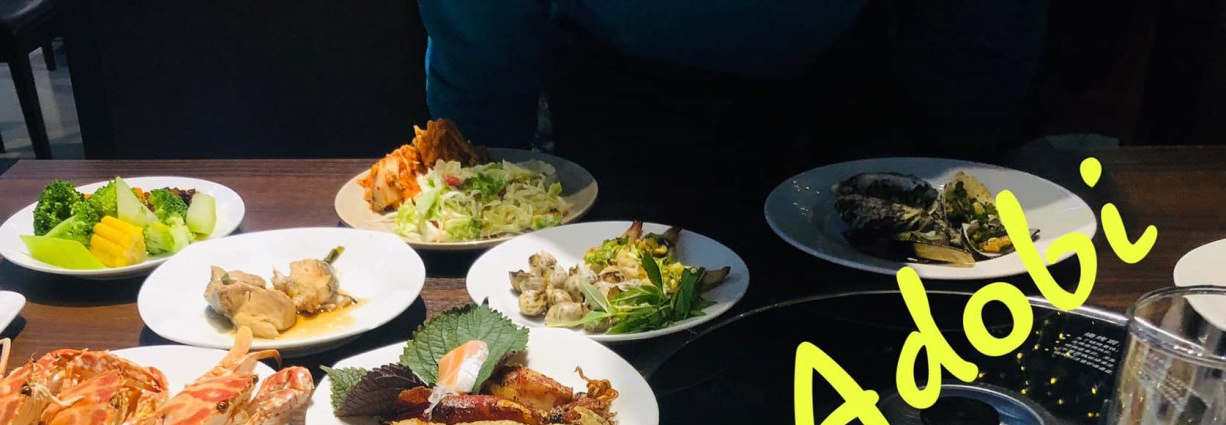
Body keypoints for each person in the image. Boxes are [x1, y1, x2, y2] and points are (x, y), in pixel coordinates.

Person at [418, 0, 1048, 221]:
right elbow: (480, 39)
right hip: (619, 98)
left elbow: (979, 29)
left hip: (860, 93)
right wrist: (476, 186)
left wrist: (959, 162)